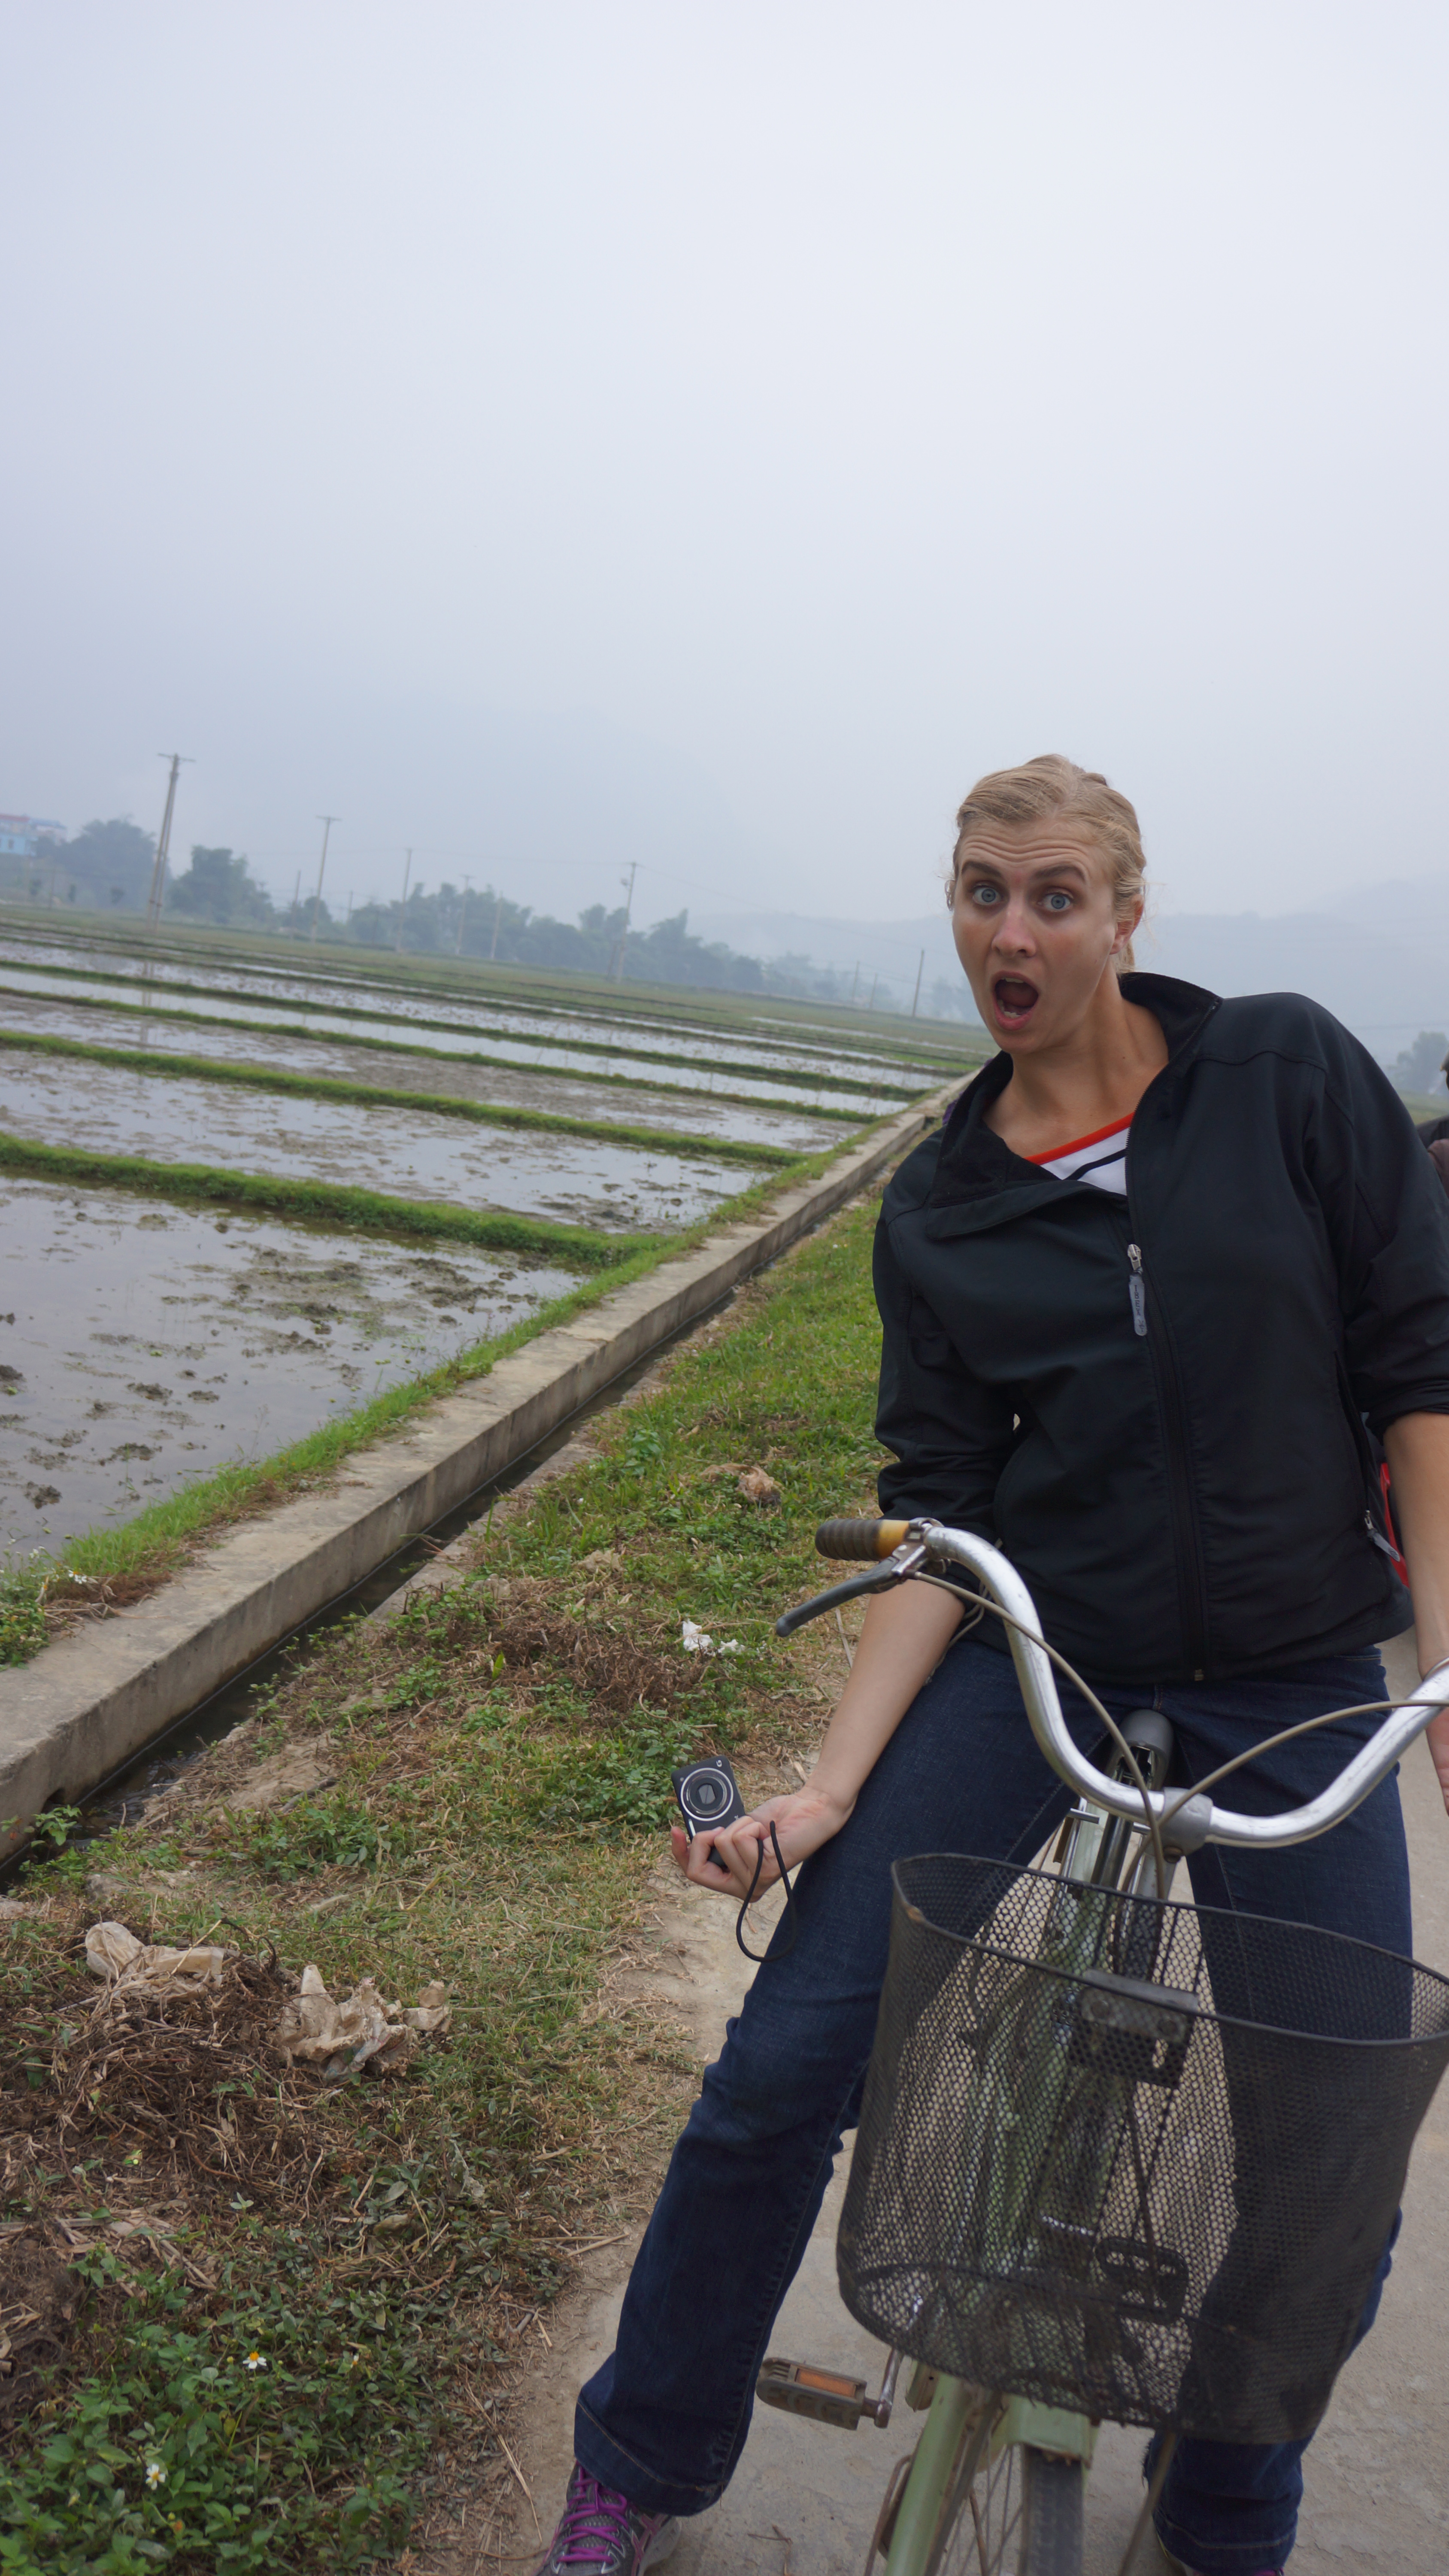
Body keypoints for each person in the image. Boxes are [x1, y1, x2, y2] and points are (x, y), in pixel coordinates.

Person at [533, 756, 1449, 2576]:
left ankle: (1223, 2502)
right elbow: (940, 1518)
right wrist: (830, 1789)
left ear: (1124, 916)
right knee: (784, 2065)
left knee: (1334, 2139)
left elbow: (1422, 1369)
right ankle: (636, 2461)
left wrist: (1440, 1680)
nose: (1010, 932)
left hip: (1296, 1670)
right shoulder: (941, 1206)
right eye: (981, 893)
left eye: (1051, 895)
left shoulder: (1283, 1074)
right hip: (1046, 1649)